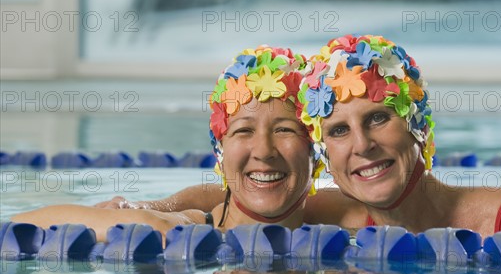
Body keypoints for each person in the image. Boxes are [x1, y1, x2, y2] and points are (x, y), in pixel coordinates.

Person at [295, 34, 501, 239]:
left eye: (378, 117)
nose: (362, 145)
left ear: (420, 128)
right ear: (325, 155)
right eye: (339, 130)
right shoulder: (326, 215)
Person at [11, 46, 317, 240]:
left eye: (285, 130)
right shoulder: (172, 231)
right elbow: (20, 225)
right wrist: (148, 212)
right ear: (220, 153)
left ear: (315, 149)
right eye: (243, 131)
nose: (263, 151)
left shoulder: (342, 213)